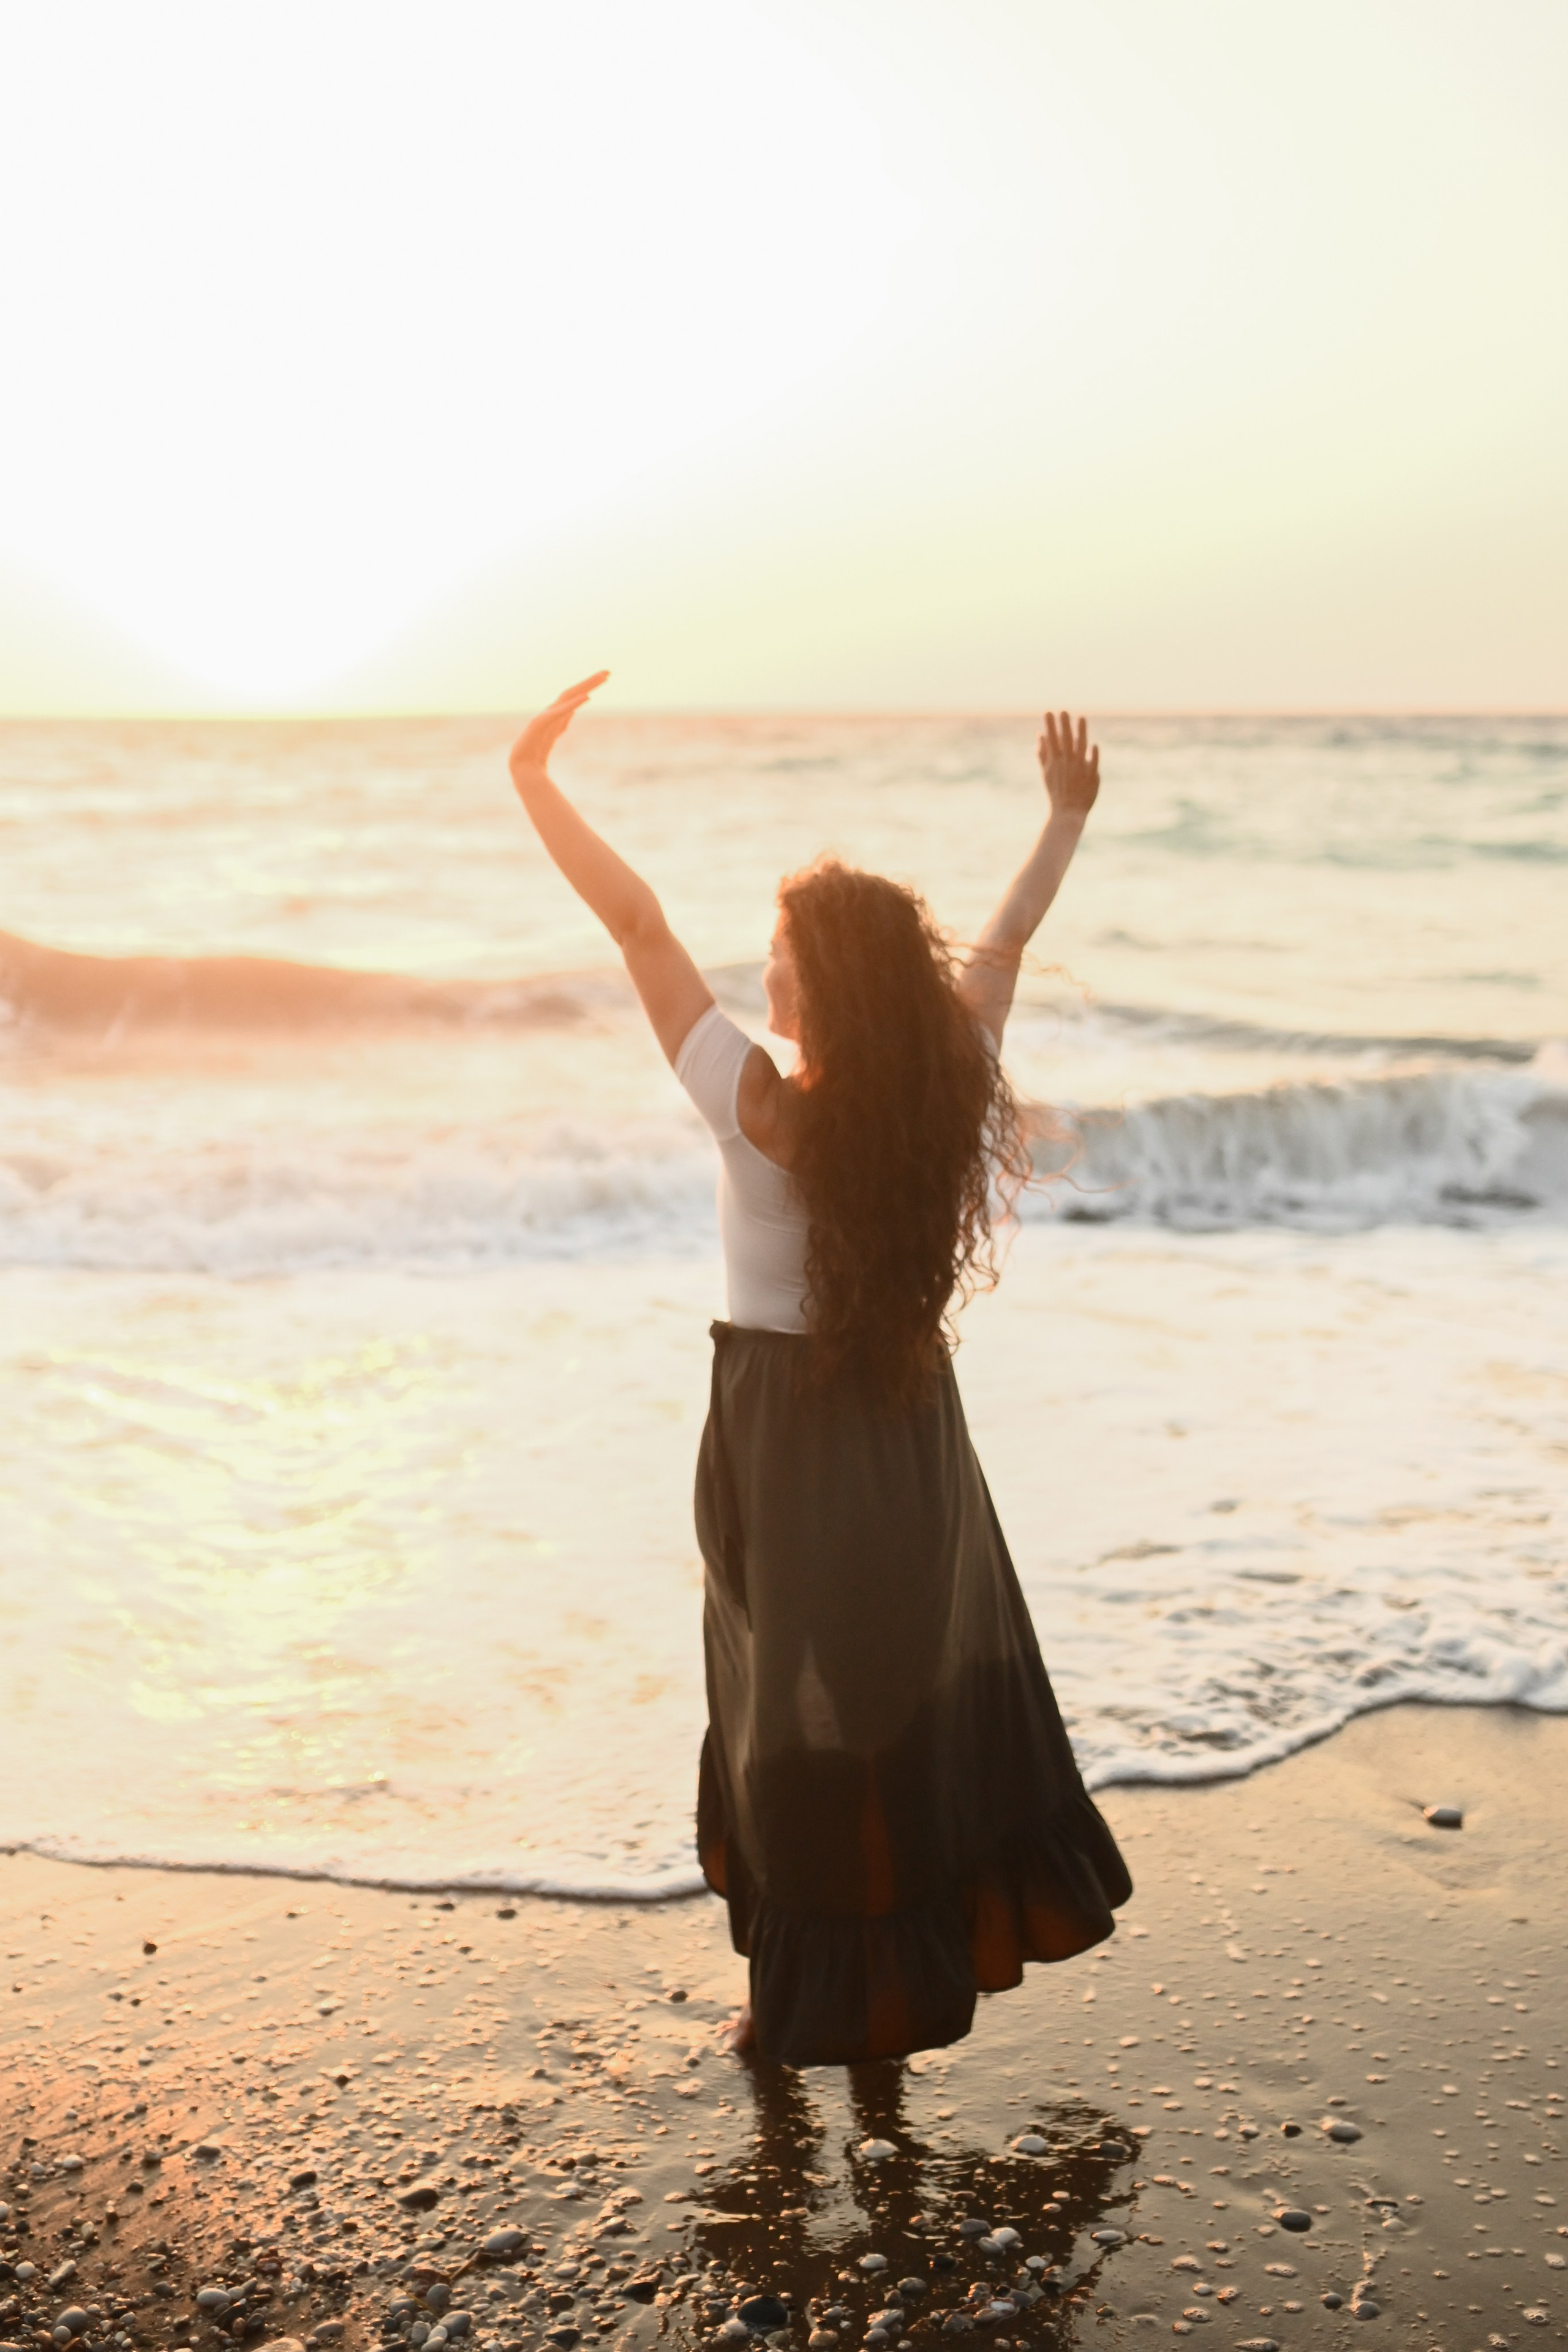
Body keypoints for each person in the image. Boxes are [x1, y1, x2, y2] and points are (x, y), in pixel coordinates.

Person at [508, 676, 1131, 2068]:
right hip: (908, 1434)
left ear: (818, 980)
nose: (762, 974)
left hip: (780, 1440)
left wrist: (534, 783)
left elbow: (633, 921)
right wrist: (1061, 818)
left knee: (779, 1716)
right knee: (897, 1710)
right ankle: (894, 1996)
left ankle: (797, 2005)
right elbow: (1008, 938)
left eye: (779, 955)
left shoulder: (755, 1110)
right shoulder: (941, 1081)